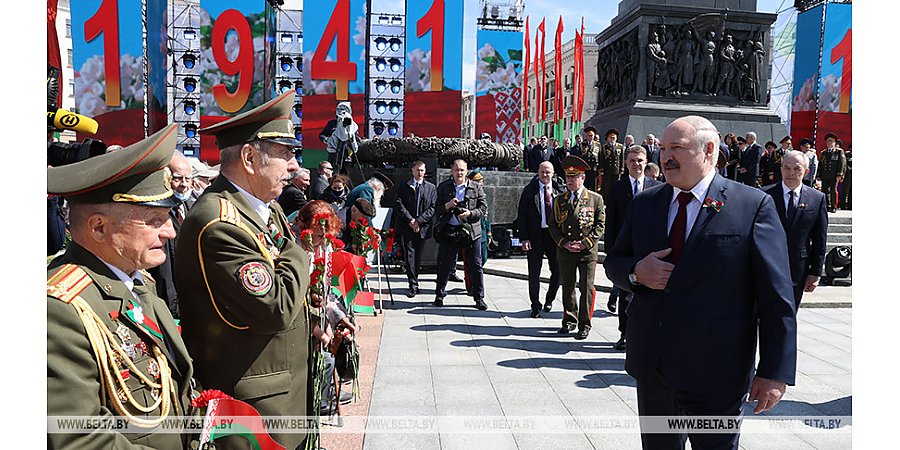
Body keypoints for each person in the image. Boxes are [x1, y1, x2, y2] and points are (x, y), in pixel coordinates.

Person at [604, 115, 797, 449]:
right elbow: (614, 262)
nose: (664, 157)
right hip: (655, 369)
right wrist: (637, 272)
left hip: (718, 372)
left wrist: (773, 370)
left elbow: (776, 297)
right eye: (662, 148)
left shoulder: (751, 206)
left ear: (709, 150)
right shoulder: (646, 203)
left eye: (676, 147)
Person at [174, 91, 314, 450]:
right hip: (255, 411)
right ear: (250, 158)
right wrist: (300, 251)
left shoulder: (263, 206)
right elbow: (276, 307)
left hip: (283, 397)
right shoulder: (219, 222)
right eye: (286, 154)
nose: (295, 165)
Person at [47, 124, 194, 449]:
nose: (169, 232)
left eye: (167, 218)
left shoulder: (136, 278)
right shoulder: (59, 309)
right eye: (154, 221)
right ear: (99, 228)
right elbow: (79, 439)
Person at [604, 146, 660, 351]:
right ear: (626, 164)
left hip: (650, 249)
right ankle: (624, 334)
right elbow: (611, 222)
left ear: (646, 163)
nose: (637, 164)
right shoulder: (617, 188)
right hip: (626, 250)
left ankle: (647, 334)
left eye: (640, 160)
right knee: (625, 295)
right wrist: (611, 251)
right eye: (632, 161)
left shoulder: (658, 187)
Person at [548, 156, 605, 340]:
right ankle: (569, 320)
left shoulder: (595, 199)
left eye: (574, 177)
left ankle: (584, 324)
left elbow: (600, 225)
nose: (570, 181)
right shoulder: (559, 200)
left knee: (586, 288)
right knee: (567, 287)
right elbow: (553, 226)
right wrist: (564, 243)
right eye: (568, 177)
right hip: (566, 251)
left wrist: (585, 243)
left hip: (587, 252)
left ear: (583, 178)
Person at [763, 151, 828, 308]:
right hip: (765, 268)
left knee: (789, 316)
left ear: (806, 171)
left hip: (797, 270)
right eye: (787, 168)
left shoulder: (817, 199)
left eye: (797, 169)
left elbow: (820, 239)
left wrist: (815, 272)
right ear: (781, 169)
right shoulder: (764, 196)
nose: (791, 173)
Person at [433, 159, 488, 310]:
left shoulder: (476, 187)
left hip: (471, 232)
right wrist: (448, 205)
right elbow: (436, 209)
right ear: (452, 171)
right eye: (456, 170)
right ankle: (439, 294)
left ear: (466, 171)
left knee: (475, 265)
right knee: (444, 264)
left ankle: (479, 297)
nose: (459, 173)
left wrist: (470, 213)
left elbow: (483, 208)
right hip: (450, 230)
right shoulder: (444, 187)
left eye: (462, 170)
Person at [149, 151, 195, 318]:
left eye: (188, 178)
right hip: (166, 303)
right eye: (177, 178)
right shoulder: (155, 212)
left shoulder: (193, 208)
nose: (184, 184)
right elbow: (163, 271)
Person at [517, 161, 566, 317]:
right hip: (535, 236)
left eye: (548, 172)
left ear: (553, 173)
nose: (545, 175)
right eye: (542, 172)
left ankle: (549, 299)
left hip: (554, 237)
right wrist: (524, 238)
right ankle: (535, 305)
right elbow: (522, 216)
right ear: (538, 172)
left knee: (557, 272)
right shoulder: (529, 191)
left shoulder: (560, 190)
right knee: (534, 273)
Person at [395, 160, 437, 297]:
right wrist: (411, 220)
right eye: (417, 170)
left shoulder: (431, 188)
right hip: (408, 226)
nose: (420, 173)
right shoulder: (404, 186)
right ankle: (412, 284)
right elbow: (400, 205)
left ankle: (416, 278)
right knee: (410, 255)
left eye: (422, 170)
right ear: (412, 171)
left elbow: (432, 208)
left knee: (418, 256)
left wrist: (419, 221)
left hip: (423, 227)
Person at [326, 102, 362, 173]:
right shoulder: (332, 123)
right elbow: (322, 134)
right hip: (333, 153)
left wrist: (351, 140)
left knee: (344, 176)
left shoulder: (353, 126)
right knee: (332, 174)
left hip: (346, 155)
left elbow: (358, 142)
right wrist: (326, 139)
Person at [817, 132, 846, 213]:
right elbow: (821, 164)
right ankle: (826, 205)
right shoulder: (824, 152)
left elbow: (842, 163)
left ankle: (833, 206)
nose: (829, 143)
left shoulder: (838, 152)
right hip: (825, 174)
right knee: (824, 191)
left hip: (834, 175)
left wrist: (840, 174)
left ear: (835, 143)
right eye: (828, 141)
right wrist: (818, 174)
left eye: (831, 141)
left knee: (833, 190)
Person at [599, 128, 626, 201]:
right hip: (607, 170)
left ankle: (615, 199)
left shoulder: (620, 146)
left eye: (614, 138)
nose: (612, 139)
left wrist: (622, 168)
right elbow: (601, 159)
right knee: (607, 186)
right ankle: (607, 200)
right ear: (608, 138)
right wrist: (601, 169)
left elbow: (622, 158)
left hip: (616, 169)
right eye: (611, 138)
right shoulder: (604, 147)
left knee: (616, 185)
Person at [580, 127, 602, 191]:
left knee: (593, 186)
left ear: (594, 136)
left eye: (591, 136)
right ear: (586, 136)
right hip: (585, 168)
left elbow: (600, 157)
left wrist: (600, 169)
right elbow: (580, 157)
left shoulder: (598, 145)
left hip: (594, 168)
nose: (590, 137)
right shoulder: (583, 144)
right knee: (585, 185)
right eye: (588, 136)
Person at [840, 144, 852, 210]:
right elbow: (844, 164)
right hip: (847, 176)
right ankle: (843, 205)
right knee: (845, 191)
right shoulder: (847, 155)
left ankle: (850, 205)